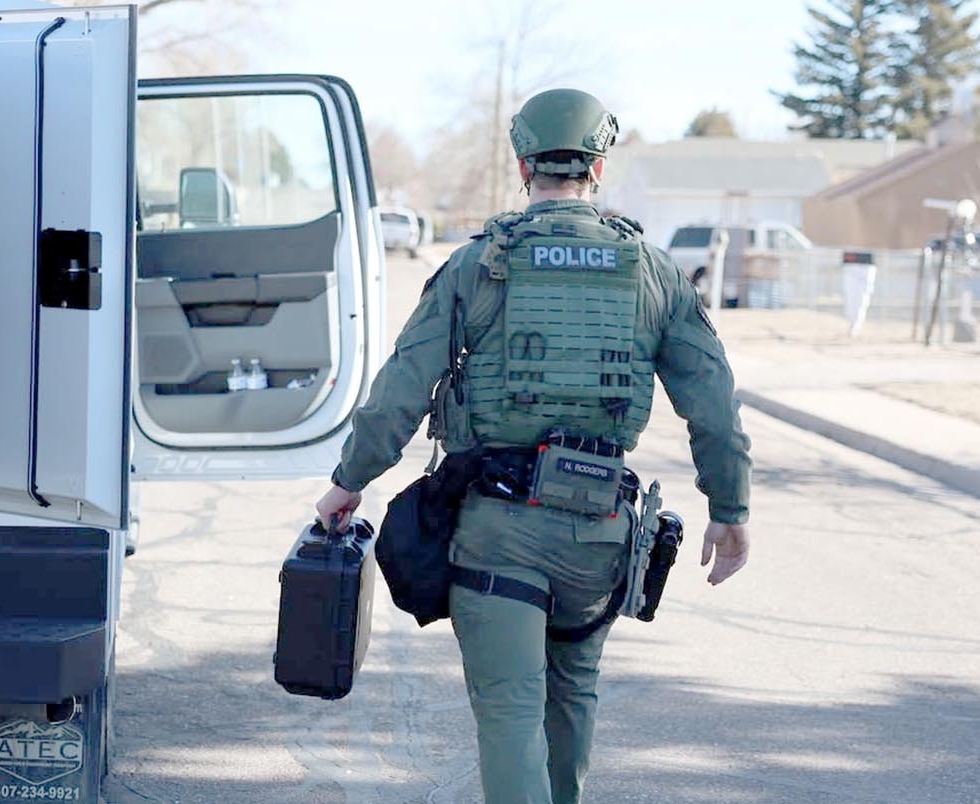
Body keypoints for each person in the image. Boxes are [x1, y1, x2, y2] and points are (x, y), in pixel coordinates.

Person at [313, 88, 752, 804]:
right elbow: (714, 407)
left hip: (499, 533)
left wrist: (349, 479)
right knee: (572, 697)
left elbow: (401, 390)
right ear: (599, 167)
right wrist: (730, 510)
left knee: (511, 711)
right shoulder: (653, 271)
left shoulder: (478, 264)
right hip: (602, 531)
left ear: (523, 164)